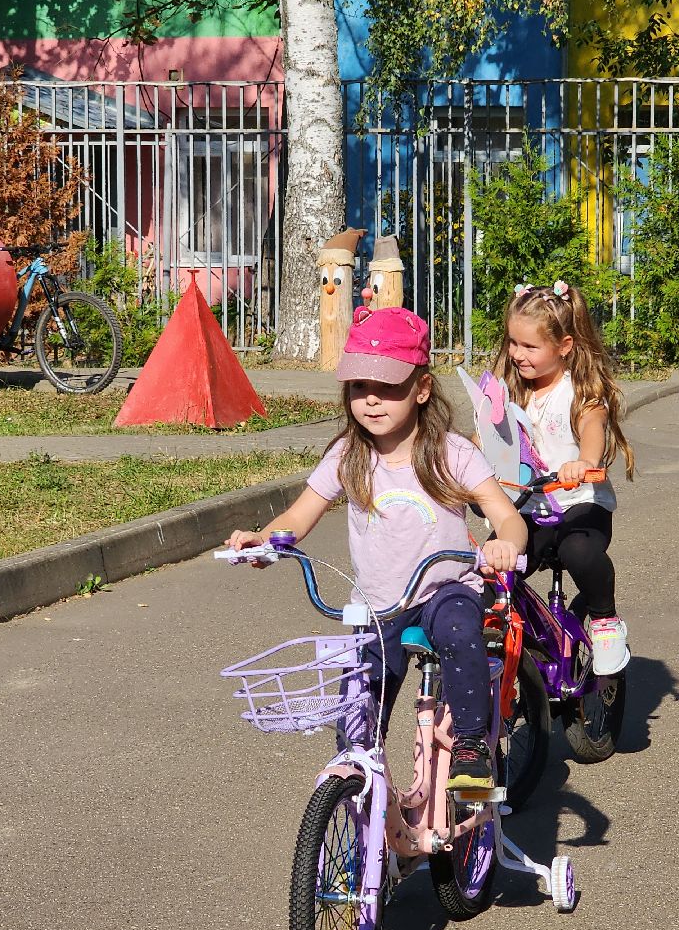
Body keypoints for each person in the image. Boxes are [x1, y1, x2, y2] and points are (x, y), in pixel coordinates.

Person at [225, 306, 528, 791]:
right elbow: (300, 515)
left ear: (422, 389)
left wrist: (504, 545)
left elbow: (507, 515)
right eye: (360, 387)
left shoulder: (453, 453)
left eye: (388, 388)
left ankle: (471, 744)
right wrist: (266, 539)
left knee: (458, 630)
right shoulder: (349, 455)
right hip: (377, 604)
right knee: (361, 691)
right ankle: (360, 784)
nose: (371, 400)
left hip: (441, 589)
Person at [494, 281, 636, 676]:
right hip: (530, 508)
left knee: (579, 553)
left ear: (564, 346)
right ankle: (511, 635)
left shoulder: (580, 390)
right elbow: (487, 437)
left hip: (580, 504)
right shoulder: (509, 393)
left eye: (529, 347)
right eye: (513, 343)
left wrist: (584, 461)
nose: (517, 354)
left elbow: (593, 426)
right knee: (495, 565)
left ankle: (606, 622)